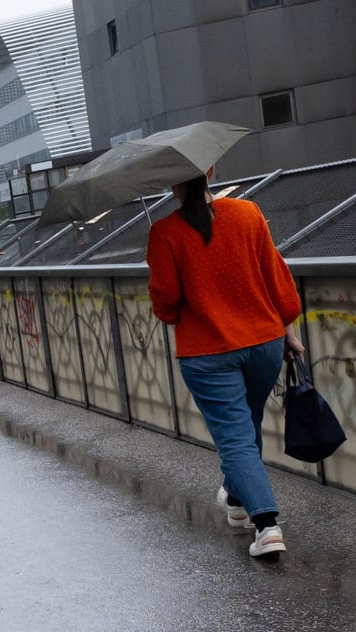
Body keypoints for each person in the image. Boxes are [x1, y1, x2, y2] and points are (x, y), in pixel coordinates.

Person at [146, 166, 304, 558]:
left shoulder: (165, 233)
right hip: (264, 342)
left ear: (172, 181)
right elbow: (276, 277)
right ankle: (236, 501)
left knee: (234, 435)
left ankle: (266, 524)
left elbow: (165, 306)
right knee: (246, 424)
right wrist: (287, 328)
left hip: (208, 352)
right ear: (211, 170)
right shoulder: (248, 213)